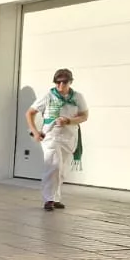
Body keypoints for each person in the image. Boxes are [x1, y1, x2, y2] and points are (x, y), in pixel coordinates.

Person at [27, 68, 88, 212]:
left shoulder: (77, 97)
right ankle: (48, 199)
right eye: (57, 82)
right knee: (53, 166)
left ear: (70, 82)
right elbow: (30, 113)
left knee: (61, 169)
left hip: (69, 137)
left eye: (64, 82)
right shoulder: (48, 96)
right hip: (51, 136)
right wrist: (35, 132)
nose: (60, 85)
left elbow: (84, 116)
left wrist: (69, 121)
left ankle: (55, 198)